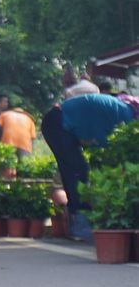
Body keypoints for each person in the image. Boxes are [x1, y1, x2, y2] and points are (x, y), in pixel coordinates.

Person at [44, 85, 137, 240]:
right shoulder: (125, 117)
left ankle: (78, 224)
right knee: (77, 173)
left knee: (75, 171)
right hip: (58, 123)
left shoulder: (122, 108)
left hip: (58, 121)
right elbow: (107, 145)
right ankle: (80, 228)